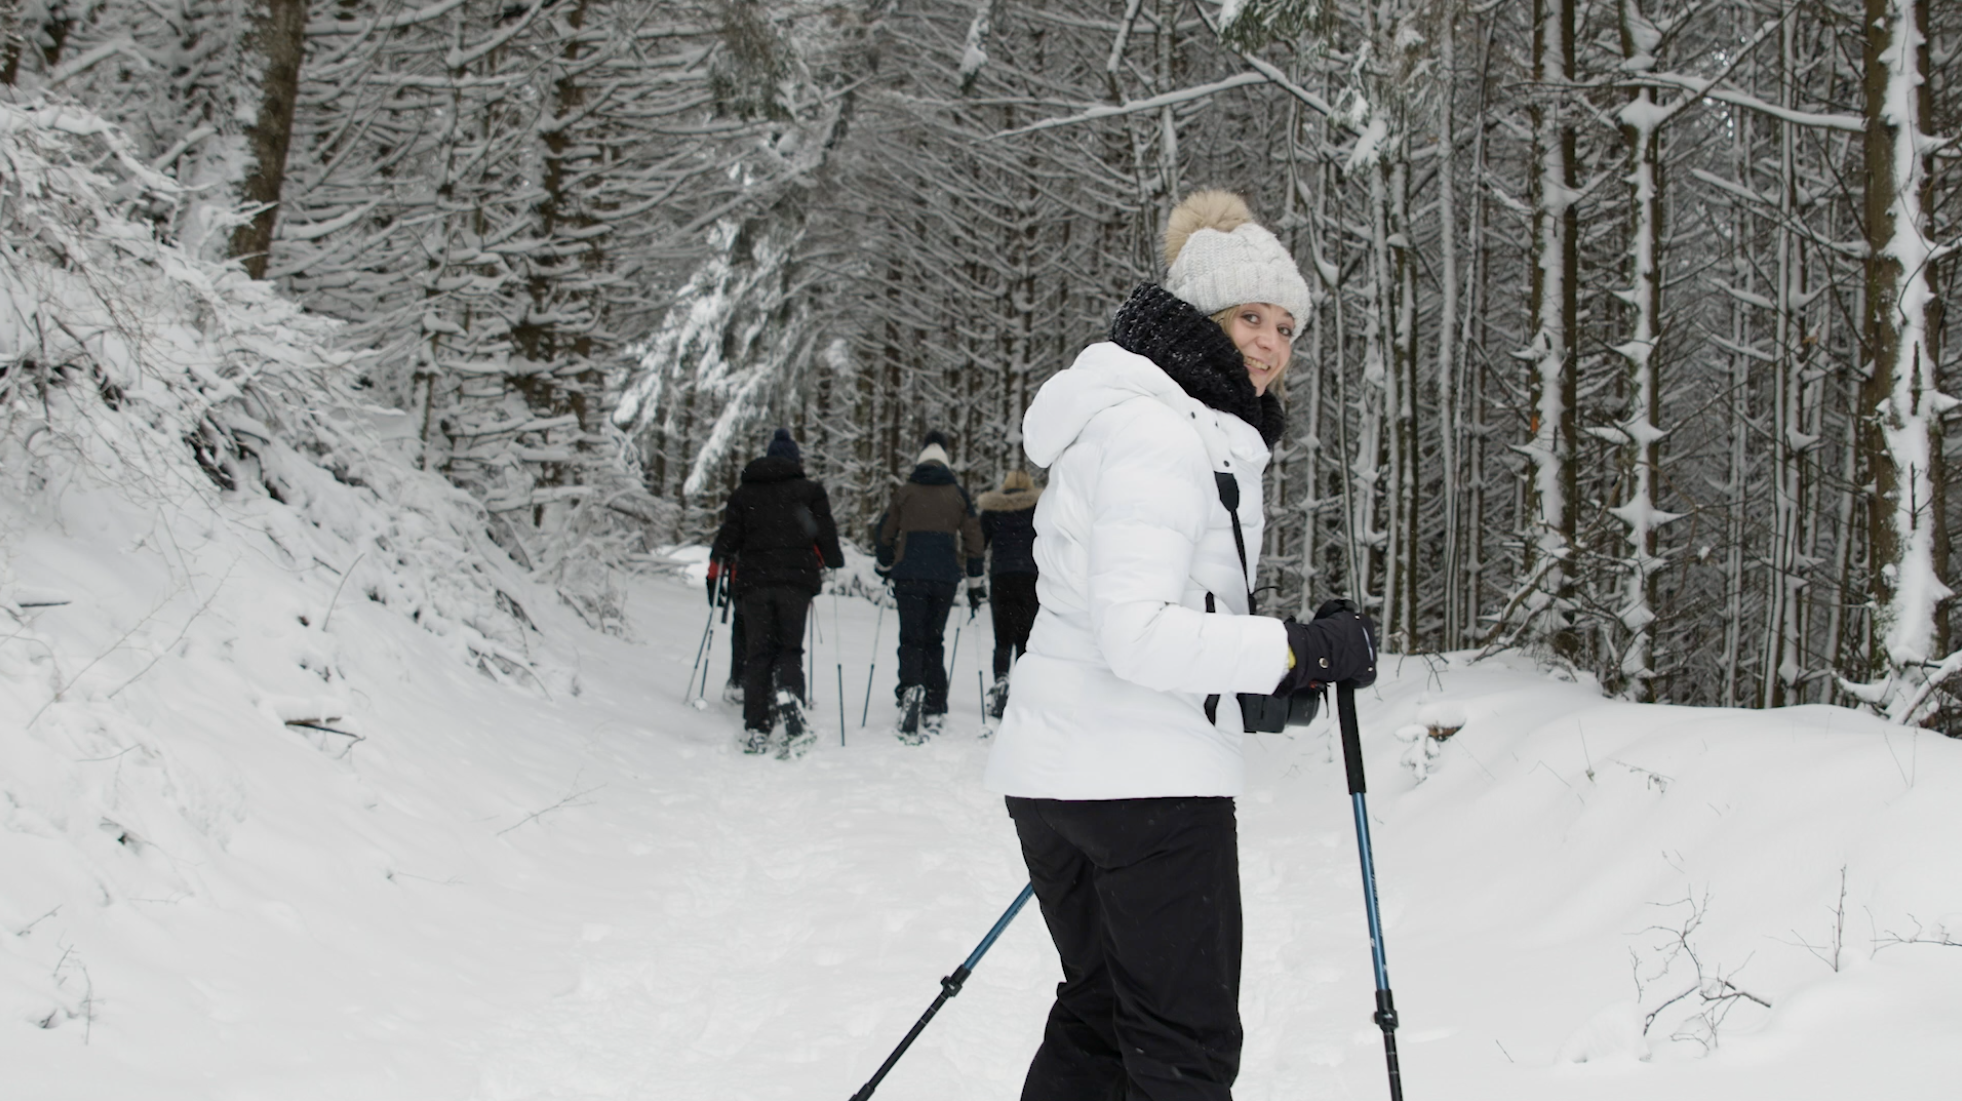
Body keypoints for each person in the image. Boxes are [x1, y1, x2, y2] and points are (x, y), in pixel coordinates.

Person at [983, 190, 1378, 1101]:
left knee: (1099, 1017)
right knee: (1181, 1050)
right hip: (1146, 791)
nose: (1272, 342)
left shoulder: (1152, 420)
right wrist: (1300, 649)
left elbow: (1133, 613)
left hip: (1061, 776)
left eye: (1287, 325)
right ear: (1201, 318)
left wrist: (1262, 679)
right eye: (1250, 317)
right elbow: (1138, 634)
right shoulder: (1160, 431)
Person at [708, 428, 845, 756]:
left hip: (754, 584)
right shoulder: (810, 492)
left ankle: (756, 726)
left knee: (758, 653)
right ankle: (789, 701)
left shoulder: (745, 494)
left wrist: (715, 575)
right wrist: (832, 559)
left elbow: (728, 539)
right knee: (789, 649)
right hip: (795, 584)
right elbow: (824, 536)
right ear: (796, 460)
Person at [874, 430, 984, 741]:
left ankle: (911, 689)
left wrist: (884, 564)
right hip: (944, 577)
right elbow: (975, 539)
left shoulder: (905, 492)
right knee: (934, 640)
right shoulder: (957, 494)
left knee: (911, 638)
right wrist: (975, 580)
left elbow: (885, 532)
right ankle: (934, 704)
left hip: (908, 575)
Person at [977, 468, 1041, 719]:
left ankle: (1001, 683)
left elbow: (979, 543)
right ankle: (1023, 693)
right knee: (1025, 639)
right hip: (1029, 579)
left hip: (1002, 578)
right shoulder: (1037, 508)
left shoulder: (993, 509)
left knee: (1002, 638)